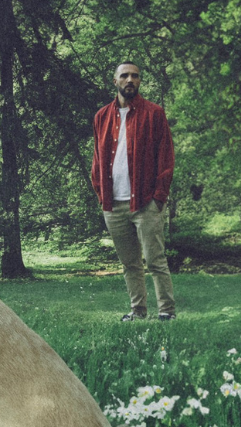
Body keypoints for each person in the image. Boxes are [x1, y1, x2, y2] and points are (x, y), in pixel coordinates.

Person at [91, 61, 176, 321]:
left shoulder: (154, 113)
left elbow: (166, 157)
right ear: (115, 81)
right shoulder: (102, 116)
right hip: (113, 204)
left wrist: (159, 198)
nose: (130, 80)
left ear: (140, 81)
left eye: (135, 76)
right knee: (130, 264)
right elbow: (97, 159)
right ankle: (138, 311)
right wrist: (100, 193)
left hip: (145, 203)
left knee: (155, 261)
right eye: (124, 76)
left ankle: (166, 312)